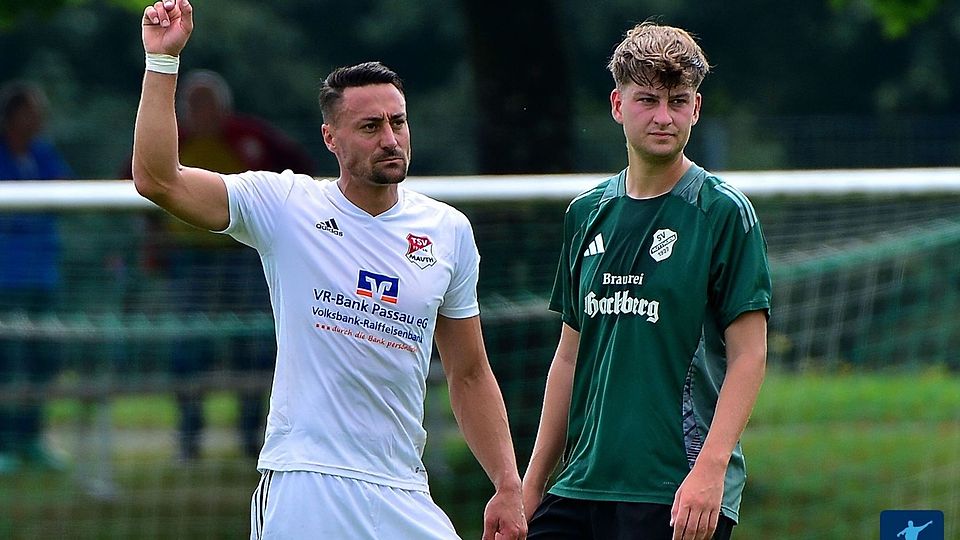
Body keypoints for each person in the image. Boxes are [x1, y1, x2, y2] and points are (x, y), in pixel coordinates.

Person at [133, 1, 526, 539]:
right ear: (330, 138)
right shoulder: (286, 205)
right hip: (305, 479)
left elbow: (470, 372)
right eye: (370, 126)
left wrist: (507, 484)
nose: (390, 138)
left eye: (398, 121)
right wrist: (162, 63)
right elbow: (159, 179)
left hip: (402, 488)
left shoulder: (447, 230)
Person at [521, 22, 771, 540]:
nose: (664, 117)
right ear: (617, 105)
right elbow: (569, 357)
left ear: (696, 109)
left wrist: (710, 472)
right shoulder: (586, 213)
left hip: (676, 491)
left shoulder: (722, 212)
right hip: (580, 487)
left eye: (678, 101)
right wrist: (531, 485)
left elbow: (749, 355)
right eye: (647, 100)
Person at [128, 68, 318, 461]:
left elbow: (302, 172)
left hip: (243, 258)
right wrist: (152, 242)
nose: (201, 111)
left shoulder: (252, 138)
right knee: (187, 349)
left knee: (252, 346)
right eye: (193, 104)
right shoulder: (171, 140)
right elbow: (137, 181)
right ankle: (189, 437)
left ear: (225, 108)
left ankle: (253, 435)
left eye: (208, 103)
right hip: (187, 264)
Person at [0, 81, 73, 474]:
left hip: (43, 277)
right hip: (6, 280)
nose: (38, 120)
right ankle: (6, 444)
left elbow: (63, 191)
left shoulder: (43, 154)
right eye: (31, 112)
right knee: (8, 363)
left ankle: (31, 439)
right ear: (12, 116)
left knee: (43, 360)